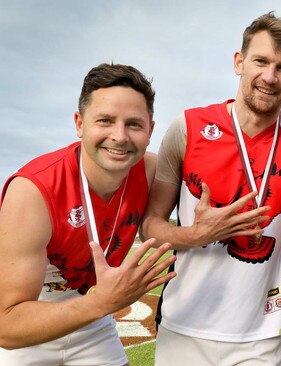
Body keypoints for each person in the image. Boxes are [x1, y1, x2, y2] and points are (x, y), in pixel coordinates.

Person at [140, 12, 281, 366]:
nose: (269, 76)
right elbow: (150, 224)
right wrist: (195, 234)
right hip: (183, 327)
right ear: (239, 62)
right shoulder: (187, 127)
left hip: (259, 337)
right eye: (261, 61)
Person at [0, 63, 176, 366]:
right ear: (79, 123)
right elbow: (7, 325)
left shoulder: (151, 171)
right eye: (105, 120)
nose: (119, 137)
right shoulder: (33, 191)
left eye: (134, 124)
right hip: (33, 321)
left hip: (93, 322)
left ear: (150, 129)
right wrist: (101, 302)